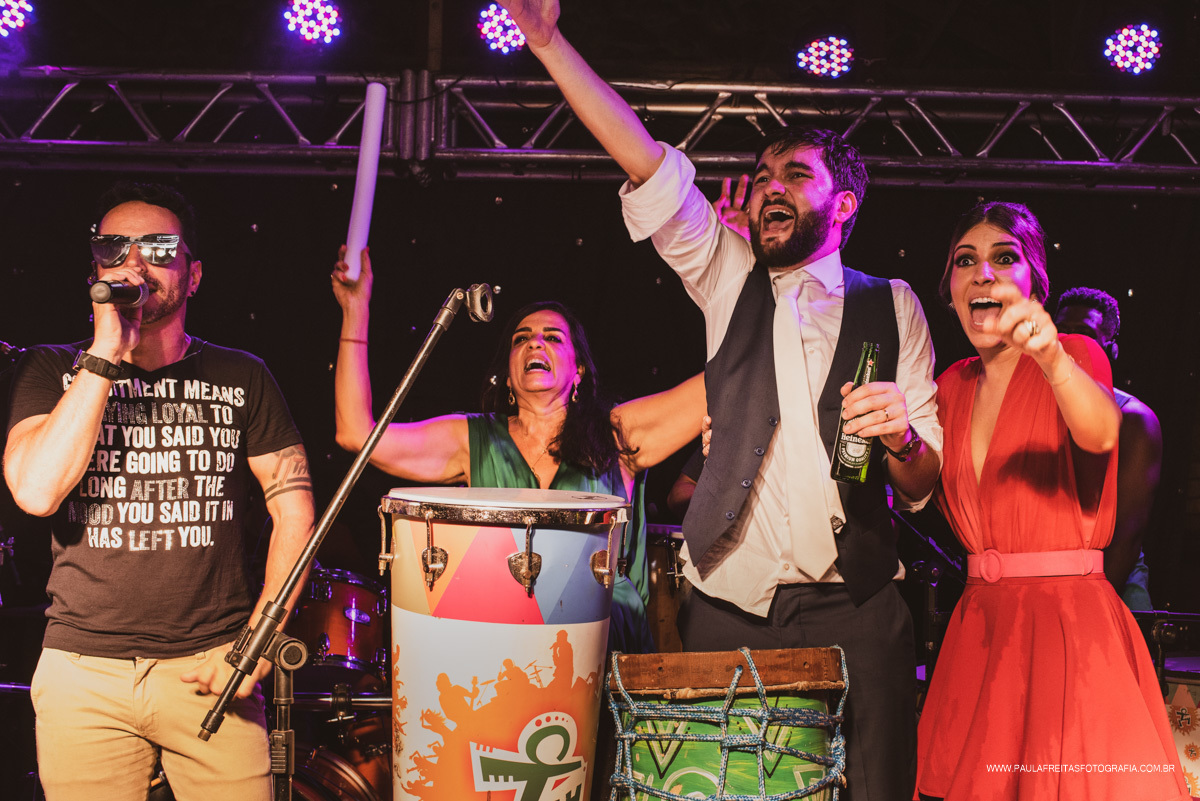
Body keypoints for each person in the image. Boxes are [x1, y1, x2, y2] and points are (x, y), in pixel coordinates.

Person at [498, 4, 944, 798]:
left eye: (797, 176)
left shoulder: (894, 305)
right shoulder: (728, 275)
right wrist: (547, 43)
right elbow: (644, 160)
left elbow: (919, 484)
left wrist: (905, 438)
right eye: (764, 177)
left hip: (858, 601)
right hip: (729, 601)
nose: (772, 188)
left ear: (844, 205)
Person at [3, 182, 316, 801]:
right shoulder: (49, 369)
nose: (135, 263)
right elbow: (36, 493)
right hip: (83, 672)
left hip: (210, 666)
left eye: (158, 246)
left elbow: (295, 513)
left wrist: (256, 644)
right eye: (114, 248)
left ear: (193, 275)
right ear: (95, 270)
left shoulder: (241, 375)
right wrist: (103, 356)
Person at [915, 201, 1186, 800]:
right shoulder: (945, 387)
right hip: (981, 627)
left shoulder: (1074, 356)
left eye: (1004, 258)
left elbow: (1101, 433)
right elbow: (916, 492)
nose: (982, 273)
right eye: (965, 261)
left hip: (1068, 627)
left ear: (1035, 281)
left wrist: (1053, 357)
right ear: (951, 290)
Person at [331, 247, 705, 653]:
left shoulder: (616, 434)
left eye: (552, 338)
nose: (534, 345)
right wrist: (356, 310)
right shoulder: (472, 439)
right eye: (520, 339)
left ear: (578, 369)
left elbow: (720, 384)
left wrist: (736, 281)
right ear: (508, 378)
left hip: (605, 645)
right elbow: (356, 434)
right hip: (506, 646)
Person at [1054, 286, 1159, 611]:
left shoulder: (1133, 418)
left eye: (1083, 334)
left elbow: (1127, 534)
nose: (1069, 343)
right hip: (1046, 572)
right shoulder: (1034, 406)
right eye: (1062, 332)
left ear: (1109, 348)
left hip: (1112, 579)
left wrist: (1088, 610)